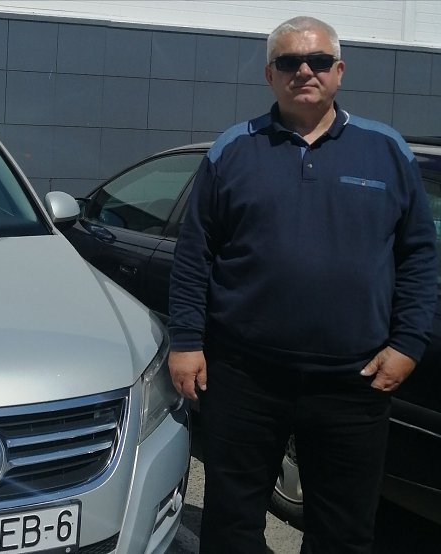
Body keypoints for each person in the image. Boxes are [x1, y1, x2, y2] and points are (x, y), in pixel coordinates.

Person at [168, 15, 438, 554]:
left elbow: (418, 255)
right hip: (244, 375)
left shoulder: (387, 150)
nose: (304, 71)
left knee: (343, 529)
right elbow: (195, 255)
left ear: (339, 71)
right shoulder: (232, 150)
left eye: (318, 61)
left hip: (353, 380)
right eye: (289, 62)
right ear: (270, 74)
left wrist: (408, 343)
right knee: (231, 522)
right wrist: (187, 342)